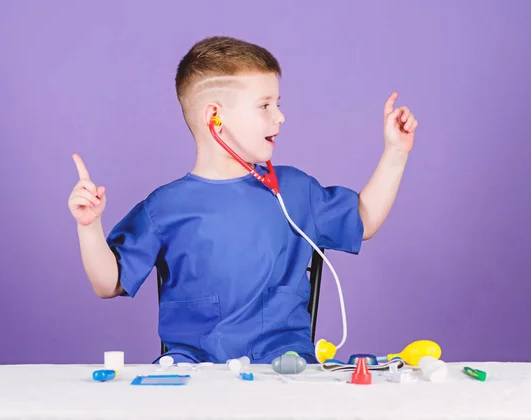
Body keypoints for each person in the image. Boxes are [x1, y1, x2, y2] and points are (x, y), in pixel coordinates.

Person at [67, 36, 418, 364]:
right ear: (214, 117)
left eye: (277, 103)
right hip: (194, 375)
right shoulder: (164, 207)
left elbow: (364, 221)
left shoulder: (294, 191)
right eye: (264, 105)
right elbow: (107, 283)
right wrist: (89, 226)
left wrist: (395, 152)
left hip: (283, 371)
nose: (280, 116)